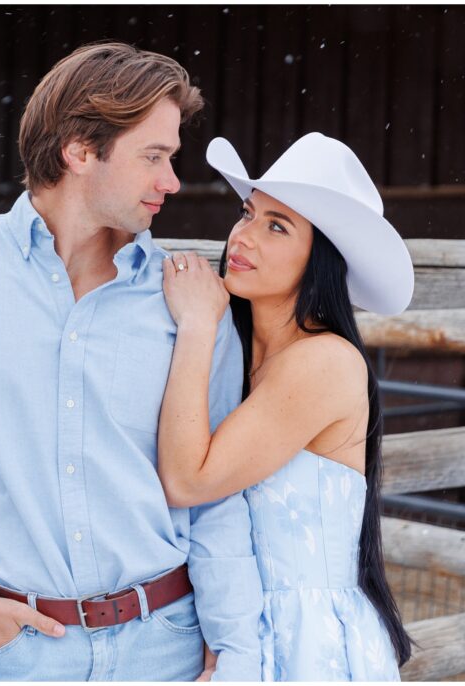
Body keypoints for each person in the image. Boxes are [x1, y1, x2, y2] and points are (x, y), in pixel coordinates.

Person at [0, 42, 263, 681]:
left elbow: (217, 493)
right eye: (153, 157)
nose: (172, 181)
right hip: (12, 656)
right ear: (79, 151)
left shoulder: (190, 300)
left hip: (167, 649)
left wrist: (233, 646)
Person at [157, 132, 414, 681]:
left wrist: (198, 324)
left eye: (277, 227)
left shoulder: (324, 362)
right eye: (247, 213)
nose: (243, 236)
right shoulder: (239, 352)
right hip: (231, 627)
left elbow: (186, 480)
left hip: (306, 643)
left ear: (319, 259)